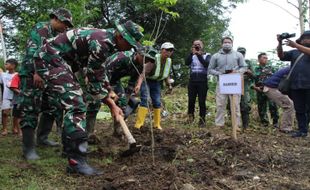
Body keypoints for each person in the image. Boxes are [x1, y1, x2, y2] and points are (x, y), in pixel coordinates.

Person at [33, 20, 144, 175]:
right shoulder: (103, 43)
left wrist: (109, 93)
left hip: (62, 60)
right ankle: (76, 162)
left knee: (78, 101)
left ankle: (69, 150)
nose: (129, 48)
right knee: (76, 105)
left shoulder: (107, 41)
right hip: (51, 58)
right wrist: (111, 104)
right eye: (129, 43)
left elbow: (99, 72)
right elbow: (93, 79)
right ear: (120, 36)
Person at [19, 8, 74, 160]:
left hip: (47, 76)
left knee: (52, 106)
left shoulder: (57, 35)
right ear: (56, 19)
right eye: (65, 23)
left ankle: (42, 138)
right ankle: (28, 149)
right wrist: (37, 72)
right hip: (32, 74)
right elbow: (33, 51)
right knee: (30, 108)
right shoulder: (42, 28)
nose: (66, 27)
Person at [134, 42, 174, 131]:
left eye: (171, 51)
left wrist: (169, 85)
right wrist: (138, 85)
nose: (169, 52)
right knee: (145, 99)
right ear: (162, 50)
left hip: (156, 82)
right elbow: (143, 74)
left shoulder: (169, 61)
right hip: (146, 80)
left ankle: (157, 124)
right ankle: (139, 124)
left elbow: (166, 74)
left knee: (157, 102)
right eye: (167, 50)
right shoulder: (153, 59)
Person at [277, 30, 310, 137]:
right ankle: (303, 131)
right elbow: (281, 56)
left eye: (308, 37)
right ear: (301, 40)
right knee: (300, 109)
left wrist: (295, 45)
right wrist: (279, 43)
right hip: (296, 85)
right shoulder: (294, 52)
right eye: (304, 38)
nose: (306, 39)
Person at [208, 36, 246, 128]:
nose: (227, 44)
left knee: (236, 104)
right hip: (221, 82)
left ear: (232, 44)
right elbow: (210, 69)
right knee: (220, 104)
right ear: (222, 44)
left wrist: (237, 72)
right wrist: (219, 73)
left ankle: (236, 125)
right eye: (225, 42)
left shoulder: (238, 55)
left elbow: (244, 67)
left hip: (234, 83)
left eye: (229, 42)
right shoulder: (216, 56)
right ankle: (219, 124)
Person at [254, 66, 294, 133]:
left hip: (272, 87)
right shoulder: (294, 68)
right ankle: (285, 128)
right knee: (289, 105)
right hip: (271, 88)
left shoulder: (292, 67)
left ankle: (285, 126)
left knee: (289, 104)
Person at [185, 40, 211, 127]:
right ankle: (190, 118)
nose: (197, 46)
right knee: (191, 100)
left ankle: (202, 120)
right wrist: (192, 53)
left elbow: (206, 64)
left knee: (201, 101)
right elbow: (186, 63)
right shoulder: (191, 55)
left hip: (202, 82)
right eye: (195, 45)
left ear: (202, 45)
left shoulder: (207, 55)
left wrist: (199, 55)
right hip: (192, 81)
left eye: (198, 44)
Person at [253, 53, 279, 128]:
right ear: (259, 59)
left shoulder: (271, 68)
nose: (266, 59)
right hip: (260, 90)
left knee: (273, 106)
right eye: (264, 57)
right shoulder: (255, 69)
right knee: (261, 107)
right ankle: (264, 123)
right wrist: (254, 87)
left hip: (270, 90)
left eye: (266, 58)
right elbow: (252, 79)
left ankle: (275, 123)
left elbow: (277, 78)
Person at [0, 59, 19, 136]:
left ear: (13, 66)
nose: (5, 65)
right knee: (5, 113)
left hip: (16, 96)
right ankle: (4, 129)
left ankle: (14, 128)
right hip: (6, 96)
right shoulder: (3, 75)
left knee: (16, 114)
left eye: (7, 64)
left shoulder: (18, 75)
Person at [8, 70, 22, 136]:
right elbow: (13, 87)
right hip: (18, 100)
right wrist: (22, 93)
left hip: (29, 100)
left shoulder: (33, 75)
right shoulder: (17, 76)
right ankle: (20, 132)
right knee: (18, 116)